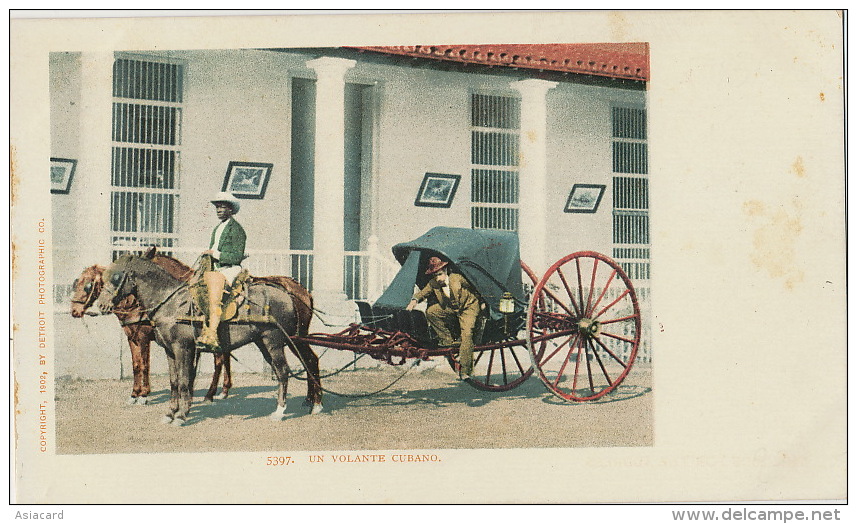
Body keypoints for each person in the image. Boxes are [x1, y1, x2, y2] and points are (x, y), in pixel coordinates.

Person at [406, 256, 483, 378]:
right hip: (453, 308)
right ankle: (447, 340)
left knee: (467, 334)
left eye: (440, 274)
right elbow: (422, 293)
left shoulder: (457, 278)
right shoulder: (434, 283)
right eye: (435, 275)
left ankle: (465, 371)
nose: (438, 278)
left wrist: (483, 302)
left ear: (446, 270)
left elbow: (475, 287)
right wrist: (414, 302)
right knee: (432, 311)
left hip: (468, 307)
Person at [196, 192, 247, 350]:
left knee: (215, 293)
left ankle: (212, 334)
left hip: (230, 269)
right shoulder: (217, 228)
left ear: (231, 210)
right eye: (217, 207)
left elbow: (237, 256)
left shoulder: (237, 229)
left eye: (222, 207)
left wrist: (215, 254)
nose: (218, 210)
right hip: (217, 269)